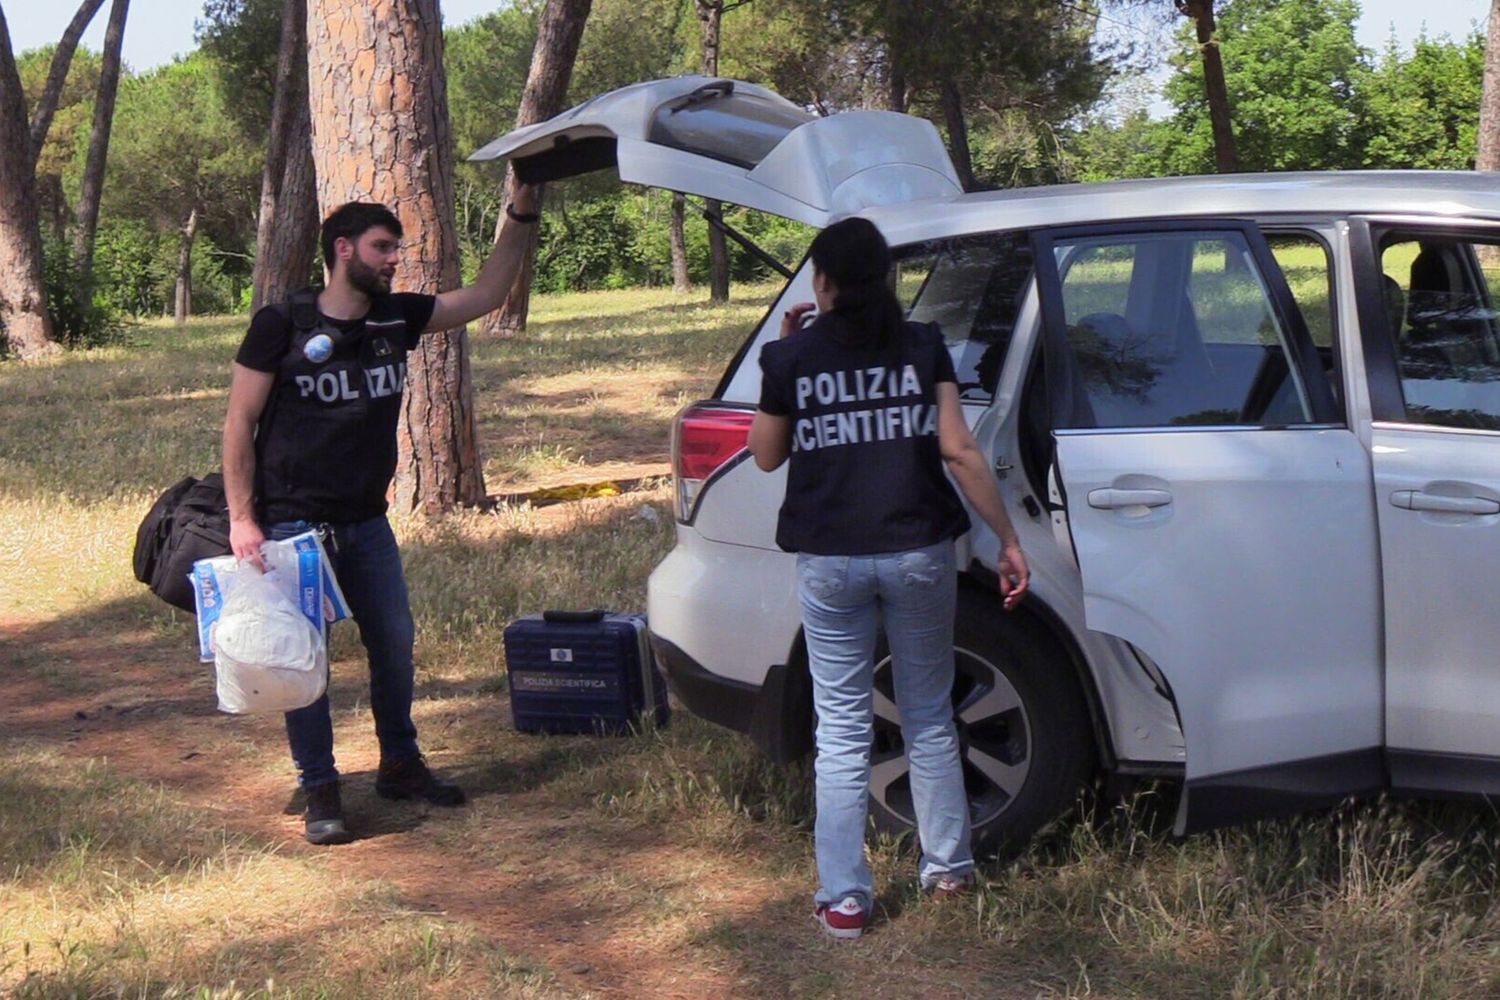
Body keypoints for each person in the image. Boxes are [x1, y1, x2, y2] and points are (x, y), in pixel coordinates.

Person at [222, 186, 542, 844]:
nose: (395, 259)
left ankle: (400, 763)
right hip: (292, 526)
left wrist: (520, 212)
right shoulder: (281, 324)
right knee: (302, 658)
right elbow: (239, 423)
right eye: (382, 247)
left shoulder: (396, 318)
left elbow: (484, 295)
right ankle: (320, 788)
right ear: (344, 250)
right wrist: (242, 519)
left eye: (396, 248)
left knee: (393, 647)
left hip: (368, 522)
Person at [747, 216, 1030, 940]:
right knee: (929, 712)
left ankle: (845, 898)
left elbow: (766, 457)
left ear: (823, 283)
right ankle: (948, 870)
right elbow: (961, 452)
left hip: (833, 562)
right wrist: (1006, 537)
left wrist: (782, 362)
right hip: (919, 552)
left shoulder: (793, 359)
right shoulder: (923, 345)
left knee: (841, 729)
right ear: (888, 278)